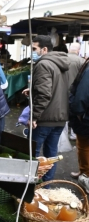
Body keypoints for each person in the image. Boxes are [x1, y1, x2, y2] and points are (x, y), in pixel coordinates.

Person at [23, 35, 70, 181]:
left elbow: (44, 93)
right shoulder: (60, 63)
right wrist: (32, 90)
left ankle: (31, 188)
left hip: (45, 118)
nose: (33, 51)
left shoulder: (43, 64)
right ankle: (46, 186)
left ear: (44, 49)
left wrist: (35, 116)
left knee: (32, 154)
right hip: (59, 117)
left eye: (34, 48)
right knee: (51, 155)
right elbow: (56, 87)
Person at [69, 58, 89, 192]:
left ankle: (85, 173)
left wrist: (78, 113)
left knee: (83, 146)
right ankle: (83, 172)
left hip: (86, 117)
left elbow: (82, 94)